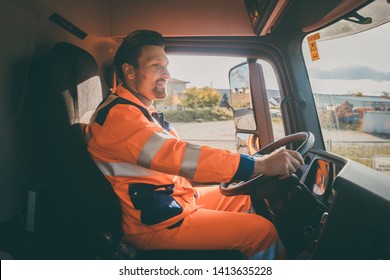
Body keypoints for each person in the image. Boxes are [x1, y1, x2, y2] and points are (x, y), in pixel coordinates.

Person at [84, 30, 304, 259]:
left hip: (170, 200)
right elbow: (178, 155)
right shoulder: (120, 117)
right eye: (156, 65)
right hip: (153, 222)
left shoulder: (137, 109)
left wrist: (254, 163)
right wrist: (258, 165)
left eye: (166, 65)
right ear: (129, 71)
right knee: (262, 232)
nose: (166, 74)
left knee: (243, 197)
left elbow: (177, 155)